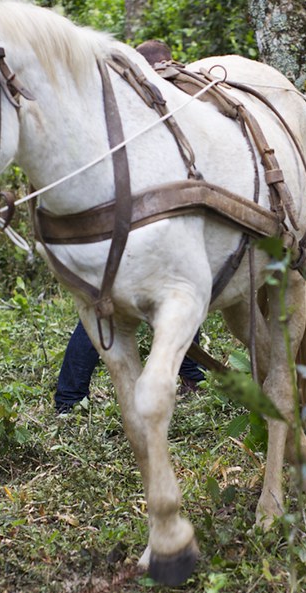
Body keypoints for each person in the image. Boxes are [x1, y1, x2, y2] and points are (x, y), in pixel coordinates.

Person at [54, 38, 204, 414]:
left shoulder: (136, 108)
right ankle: (69, 398)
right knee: (108, 312)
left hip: (142, 228)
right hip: (125, 232)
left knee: (180, 298)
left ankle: (191, 374)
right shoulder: (134, 109)